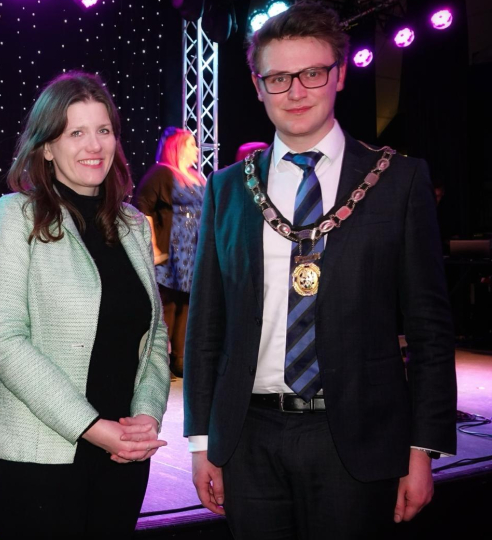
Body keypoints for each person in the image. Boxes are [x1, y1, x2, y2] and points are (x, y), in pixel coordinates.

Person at [183, 3, 457, 539]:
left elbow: (429, 328)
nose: (296, 91)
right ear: (257, 85)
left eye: (312, 73)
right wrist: (201, 443)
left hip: (357, 438)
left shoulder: (397, 181)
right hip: (248, 437)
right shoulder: (227, 189)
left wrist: (423, 449)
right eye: (278, 78)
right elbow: (205, 327)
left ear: (339, 73)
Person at [0, 71, 171, 539]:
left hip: (123, 457)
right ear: (47, 146)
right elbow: (5, 342)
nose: (94, 145)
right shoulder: (14, 216)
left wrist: (145, 417)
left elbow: (155, 336)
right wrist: (92, 427)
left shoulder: (132, 224)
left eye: (104, 130)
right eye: (76, 132)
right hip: (40, 464)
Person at [135, 128, 207, 379]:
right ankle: (157, 362)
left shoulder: (196, 177)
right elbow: (143, 208)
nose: (197, 150)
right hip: (170, 250)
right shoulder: (162, 173)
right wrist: (152, 246)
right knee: (166, 307)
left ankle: (180, 359)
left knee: (186, 305)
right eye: (191, 145)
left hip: (193, 252)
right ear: (177, 147)